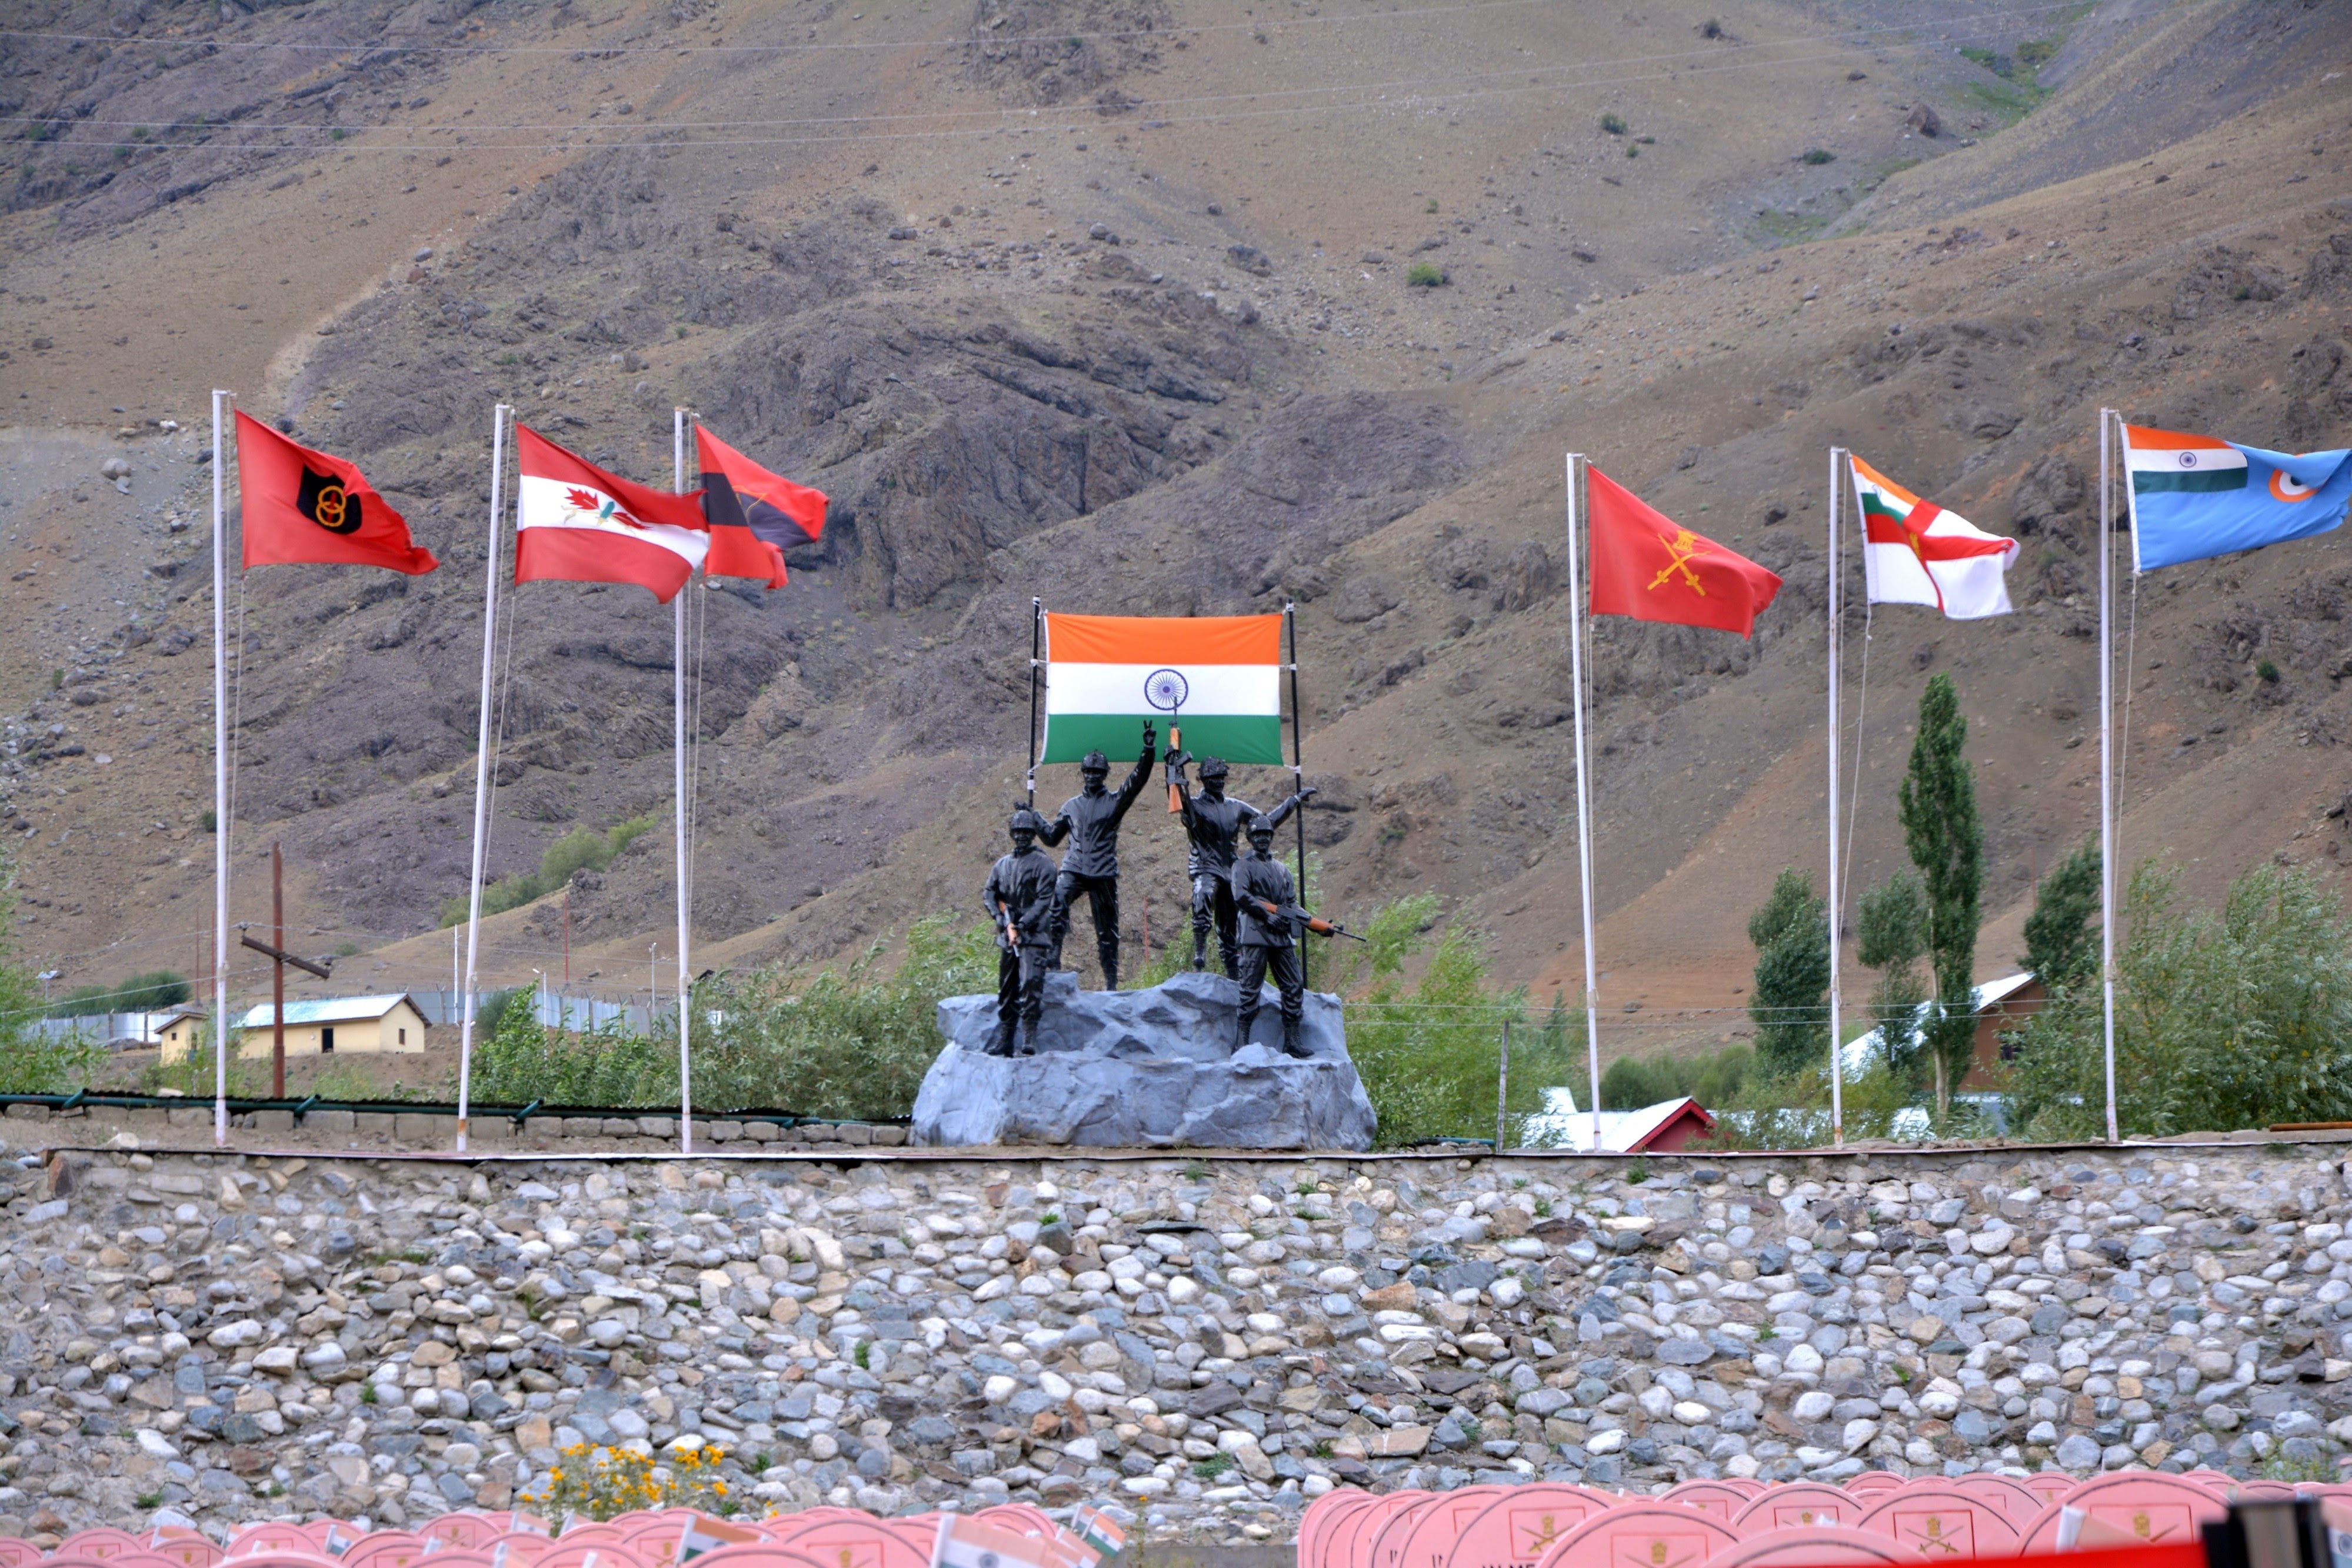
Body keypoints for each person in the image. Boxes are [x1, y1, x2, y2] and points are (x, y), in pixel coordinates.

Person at [1170, 752, 1313, 978]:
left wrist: (1292, 802)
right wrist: (1174, 769)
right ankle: (1199, 953)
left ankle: (1234, 976)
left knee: (1230, 927)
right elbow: (1179, 795)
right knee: (1203, 895)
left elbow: (1265, 822)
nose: (1217, 781)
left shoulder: (1235, 806)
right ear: (1203, 781)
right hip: (1206, 866)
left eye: (1220, 777)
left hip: (1233, 870)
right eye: (1212, 778)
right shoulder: (1195, 806)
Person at [1041, 722, 1156, 988]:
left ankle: (1112, 982)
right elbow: (1050, 837)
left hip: (1103, 872)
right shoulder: (1071, 806)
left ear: (1105, 774)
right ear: (1083, 774)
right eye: (1089, 771)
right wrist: (1033, 816)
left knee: (1108, 932)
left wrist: (1148, 749)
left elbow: (1137, 781)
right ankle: (1053, 960)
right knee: (1056, 903)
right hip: (1074, 868)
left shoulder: (1115, 802)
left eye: (1097, 772)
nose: (1092, 775)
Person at [1232, 816, 1318, 1057]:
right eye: (1258, 835)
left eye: (1267, 835)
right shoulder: (1242, 866)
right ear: (1250, 838)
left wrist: (1315, 924)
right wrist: (1266, 916)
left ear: (1271, 837)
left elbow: (1291, 905)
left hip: (1281, 936)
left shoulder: (1282, 869)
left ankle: (1292, 1040)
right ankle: (1241, 1042)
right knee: (1250, 989)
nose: (1263, 839)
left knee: (1293, 985)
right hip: (1254, 934)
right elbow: (1241, 896)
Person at [981, 805, 1059, 1055]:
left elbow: (1043, 900)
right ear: (1012, 834)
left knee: (1030, 985)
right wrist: (1002, 920)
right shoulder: (1002, 865)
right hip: (1009, 936)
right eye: (1018, 831)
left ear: (1034, 833)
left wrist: (1022, 924)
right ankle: (1005, 1037)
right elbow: (989, 893)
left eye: (1027, 831)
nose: (1022, 836)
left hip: (1034, 936)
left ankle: (1029, 1037)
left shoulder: (1044, 864)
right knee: (1007, 988)